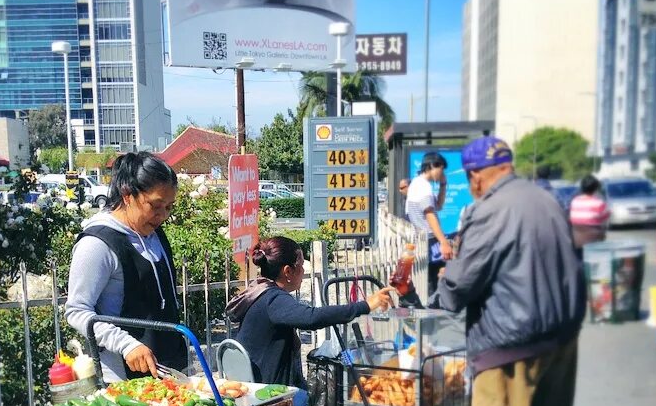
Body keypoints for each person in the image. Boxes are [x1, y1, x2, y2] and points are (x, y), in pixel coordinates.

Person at [436, 136, 585, 406]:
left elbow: (461, 283)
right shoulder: (546, 198)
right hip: (561, 334)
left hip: (509, 339)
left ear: (476, 176)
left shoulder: (490, 211)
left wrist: (444, 289)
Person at [65, 152, 184, 381]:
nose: (162, 216)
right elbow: (77, 311)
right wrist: (127, 345)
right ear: (128, 195)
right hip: (121, 376)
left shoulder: (154, 234)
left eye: (169, 207)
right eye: (155, 205)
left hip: (167, 368)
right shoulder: (97, 244)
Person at [225, 236, 394, 388]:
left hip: (261, 383)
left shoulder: (259, 291)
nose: (304, 270)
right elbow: (312, 317)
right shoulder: (273, 299)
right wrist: (365, 305)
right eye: (301, 265)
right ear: (288, 271)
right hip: (270, 392)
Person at [404, 152, 451, 301]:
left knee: (432, 281)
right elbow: (430, 214)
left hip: (424, 239)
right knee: (436, 282)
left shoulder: (418, 184)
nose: (442, 173)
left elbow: (438, 206)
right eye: (441, 169)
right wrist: (443, 241)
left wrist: (443, 185)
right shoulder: (423, 186)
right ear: (432, 166)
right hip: (430, 240)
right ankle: (436, 314)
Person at [569, 174, 610, 249]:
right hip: (594, 240)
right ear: (595, 188)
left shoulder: (574, 201)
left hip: (576, 240)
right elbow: (605, 223)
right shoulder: (599, 203)